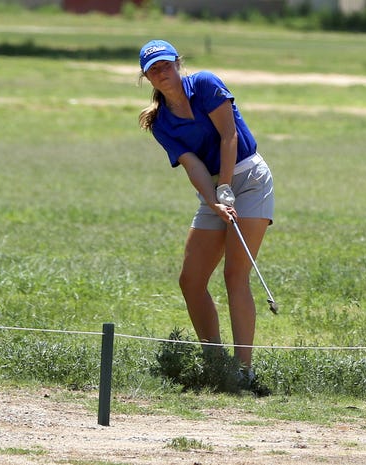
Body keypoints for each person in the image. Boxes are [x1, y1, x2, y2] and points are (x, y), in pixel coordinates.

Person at [138, 39, 274, 394]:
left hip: (249, 178)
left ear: (177, 63)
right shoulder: (161, 122)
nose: (162, 72)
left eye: (166, 64)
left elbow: (229, 136)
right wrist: (213, 199)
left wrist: (226, 187)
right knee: (191, 280)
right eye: (154, 69)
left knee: (235, 274)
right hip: (213, 189)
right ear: (147, 78)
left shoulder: (206, 84)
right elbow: (192, 164)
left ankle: (243, 372)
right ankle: (215, 363)